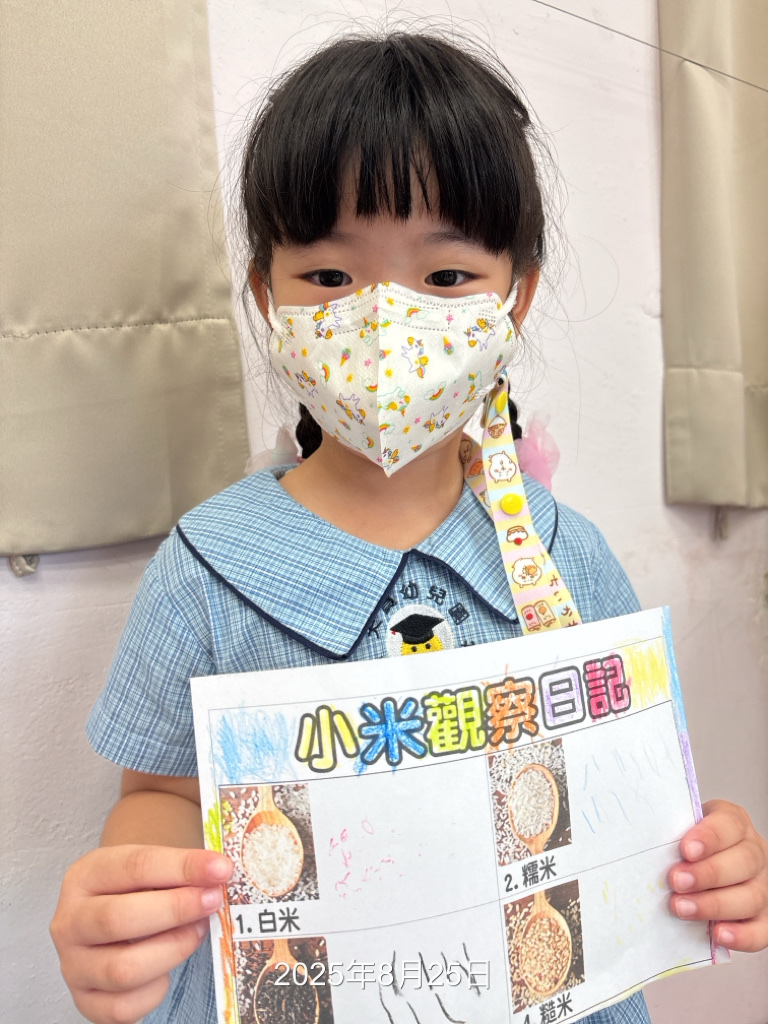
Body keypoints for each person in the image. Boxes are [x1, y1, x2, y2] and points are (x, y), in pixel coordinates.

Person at [50, 30, 768, 1024]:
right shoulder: (207, 570)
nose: (385, 323)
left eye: (445, 278)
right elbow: (164, 792)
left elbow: (631, 791)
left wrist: (709, 855)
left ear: (515, 295)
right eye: (330, 278)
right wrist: (138, 902)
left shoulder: (569, 558)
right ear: (265, 295)